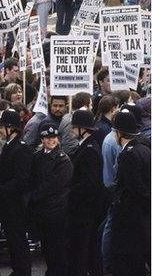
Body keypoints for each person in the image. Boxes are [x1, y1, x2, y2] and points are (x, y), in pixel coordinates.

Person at [109, 109, 151, 276]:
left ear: (119, 133)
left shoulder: (129, 155)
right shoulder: (144, 149)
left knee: (130, 260)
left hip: (131, 216)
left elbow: (135, 187)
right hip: (142, 215)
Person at [28, 122, 73, 276]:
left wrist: (33, 196)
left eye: (53, 137)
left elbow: (53, 186)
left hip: (56, 211)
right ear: (42, 139)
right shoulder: (38, 157)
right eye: (48, 137)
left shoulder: (63, 160)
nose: (51, 140)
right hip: (43, 211)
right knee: (47, 247)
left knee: (57, 248)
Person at [67, 108, 106, 276]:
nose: (72, 130)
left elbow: (89, 182)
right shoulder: (87, 146)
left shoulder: (89, 150)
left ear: (83, 129)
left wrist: (69, 191)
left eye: (75, 127)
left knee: (83, 247)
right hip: (85, 207)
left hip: (85, 209)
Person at [0, 109, 33, 275]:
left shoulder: (20, 148)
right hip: (8, 202)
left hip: (16, 203)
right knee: (12, 239)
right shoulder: (10, 145)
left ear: (10, 128)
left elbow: (21, 179)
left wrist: (1, 190)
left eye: (2, 126)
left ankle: (22, 270)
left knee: (17, 240)